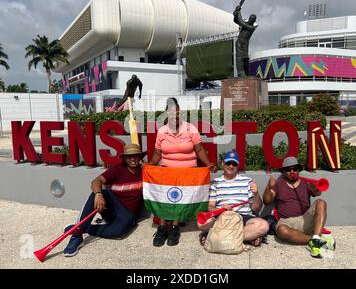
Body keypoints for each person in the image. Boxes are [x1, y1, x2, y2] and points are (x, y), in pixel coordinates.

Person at [148, 97, 217, 247]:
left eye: (176, 110)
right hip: (167, 171)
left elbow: (199, 149)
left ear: (179, 111)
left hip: (187, 172)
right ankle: (161, 227)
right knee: (163, 197)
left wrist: (208, 163)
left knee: (177, 197)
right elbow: (157, 153)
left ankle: (174, 227)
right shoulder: (162, 131)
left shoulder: (190, 128)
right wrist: (150, 165)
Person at [62, 144, 146, 257]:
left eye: (135, 156)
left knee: (119, 233)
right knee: (98, 193)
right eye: (129, 156)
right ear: (125, 158)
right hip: (112, 208)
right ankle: (77, 236)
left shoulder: (144, 172)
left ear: (140, 157)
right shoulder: (118, 169)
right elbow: (96, 181)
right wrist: (98, 194)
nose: (132, 159)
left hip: (128, 216)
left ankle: (82, 228)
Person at [263, 156, 335, 258]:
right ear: (283, 171)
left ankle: (315, 238)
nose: (292, 171)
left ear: (298, 170)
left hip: (305, 219)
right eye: (288, 169)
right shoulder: (278, 184)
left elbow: (318, 193)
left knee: (321, 202)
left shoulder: (306, 183)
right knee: (281, 231)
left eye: (295, 169)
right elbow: (266, 201)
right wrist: (269, 187)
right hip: (287, 222)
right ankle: (315, 240)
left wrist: (315, 189)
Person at [198, 151, 269, 247]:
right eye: (228, 163)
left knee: (263, 225)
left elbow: (256, 208)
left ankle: (214, 237)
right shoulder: (215, 182)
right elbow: (210, 207)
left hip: (242, 217)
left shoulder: (248, 181)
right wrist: (220, 210)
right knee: (201, 223)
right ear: (223, 164)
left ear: (238, 165)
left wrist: (256, 194)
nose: (231, 166)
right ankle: (247, 238)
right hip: (221, 217)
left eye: (234, 164)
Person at [233, 4, 257, 77]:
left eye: (252, 18)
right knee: (239, 57)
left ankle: (245, 73)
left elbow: (240, 22)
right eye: (250, 18)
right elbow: (236, 20)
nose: (250, 19)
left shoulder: (252, 27)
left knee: (245, 58)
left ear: (254, 20)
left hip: (245, 44)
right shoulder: (246, 24)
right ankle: (240, 72)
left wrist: (239, 12)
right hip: (240, 42)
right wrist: (235, 13)